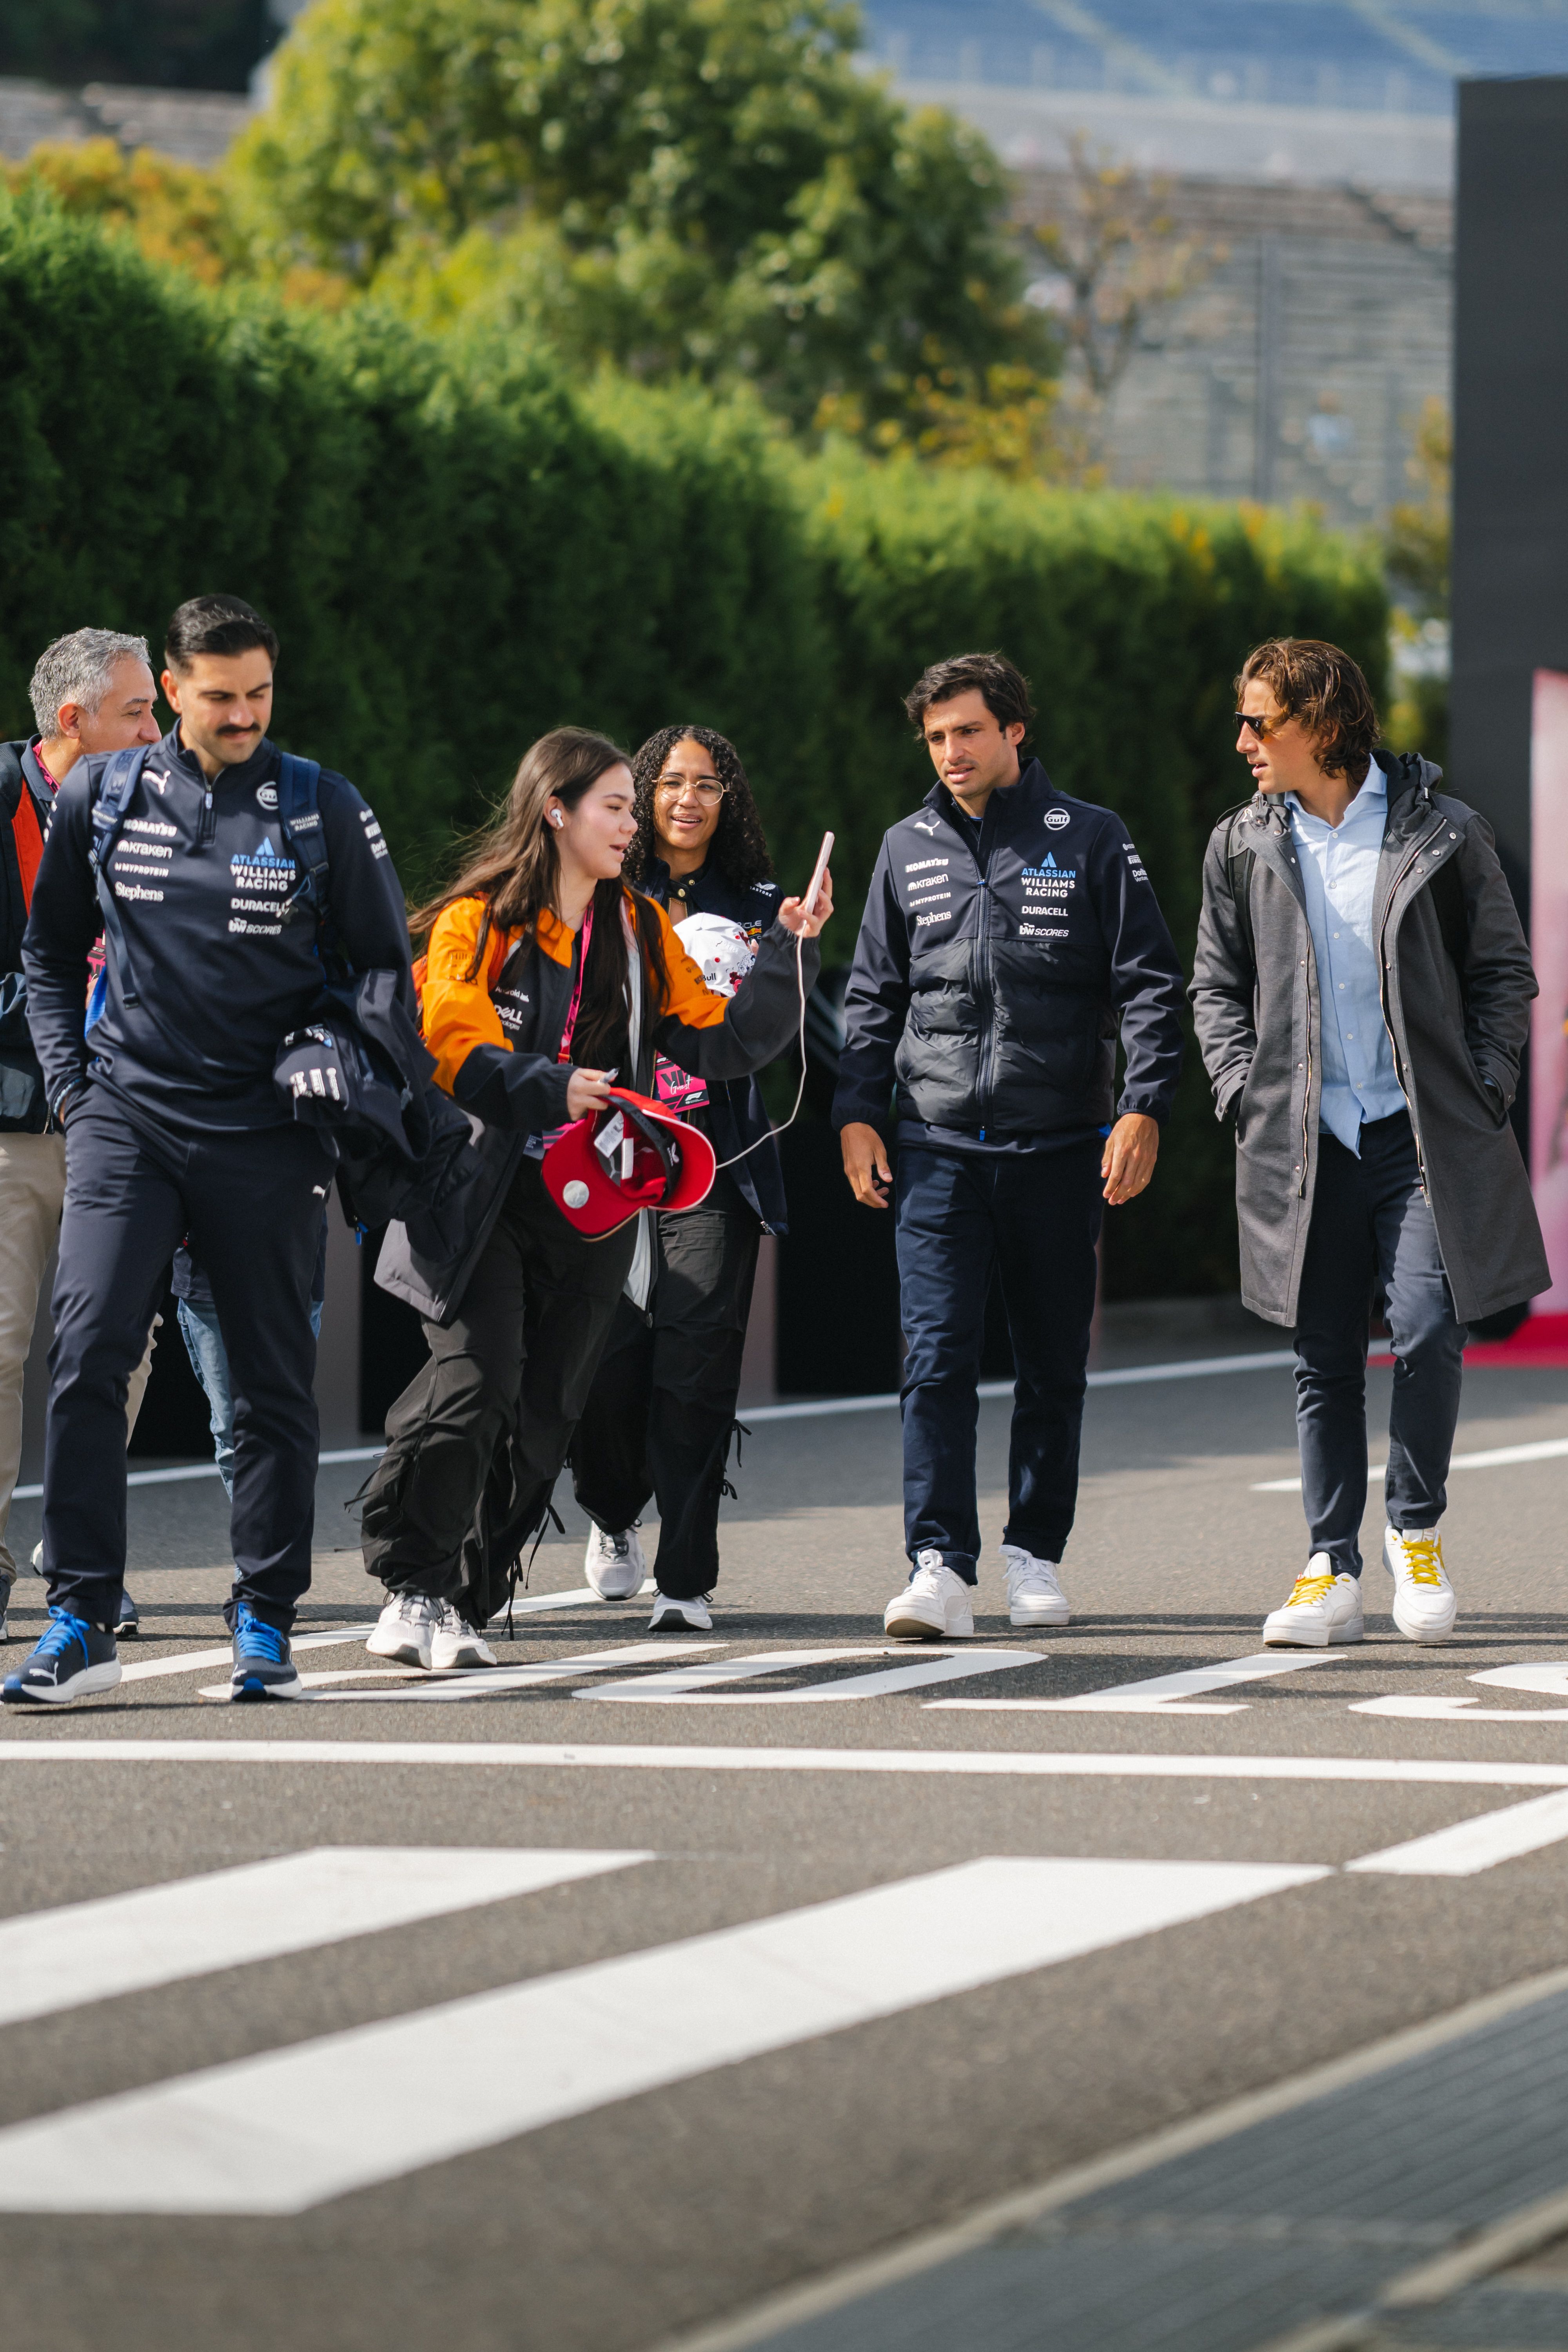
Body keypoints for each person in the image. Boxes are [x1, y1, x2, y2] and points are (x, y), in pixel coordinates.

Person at [4, 595, 413, 1707]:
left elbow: (384, 971)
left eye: (260, 694)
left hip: (267, 1133)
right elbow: (49, 957)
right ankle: (82, 1616)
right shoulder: (102, 789)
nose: (244, 714)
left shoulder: (321, 805)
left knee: (273, 1384)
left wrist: (334, 1045)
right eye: (220, 695)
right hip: (127, 1120)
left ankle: (264, 1621)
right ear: (173, 691)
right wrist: (80, 1097)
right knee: (85, 1355)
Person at [360, 726, 829, 1664]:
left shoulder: (638, 928)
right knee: (477, 1379)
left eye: (630, 806)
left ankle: (466, 1599)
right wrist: (547, 1083)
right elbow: (452, 1043)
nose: (633, 823)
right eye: (617, 805)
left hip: (589, 1202)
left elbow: (723, 1043)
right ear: (555, 810)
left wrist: (788, 952)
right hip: (478, 1190)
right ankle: (412, 1583)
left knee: (544, 1418)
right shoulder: (478, 918)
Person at [1191, 637, 1548, 1649]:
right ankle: (1329, 1567)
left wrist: (1480, 1089)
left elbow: (1502, 974)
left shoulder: (1443, 831)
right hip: (1307, 1140)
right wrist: (1242, 1095)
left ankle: (1415, 1531)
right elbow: (1214, 985)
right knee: (1323, 1354)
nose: (1243, 741)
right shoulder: (1242, 844)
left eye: (1261, 721)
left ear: (1324, 725)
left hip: (1417, 1134)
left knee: (1430, 1328)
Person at [832, 650, 1186, 1640]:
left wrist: (1143, 1105)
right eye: (936, 737)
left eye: (969, 732)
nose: (951, 752)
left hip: (1059, 1146)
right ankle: (938, 1564)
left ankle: (1035, 1555)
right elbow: (870, 998)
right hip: (934, 1147)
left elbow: (1151, 986)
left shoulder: (1092, 838)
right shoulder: (904, 847)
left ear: (1014, 731)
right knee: (935, 1360)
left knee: (1049, 1366)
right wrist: (856, 1115)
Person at [568, 724, 796, 1632]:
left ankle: (686, 1576)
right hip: (614, 1154)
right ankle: (612, 1511)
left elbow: (777, 1029)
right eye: (668, 783)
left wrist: (792, 948)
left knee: (696, 1364)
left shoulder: (768, 902)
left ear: (728, 796)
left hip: (717, 1160)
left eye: (707, 783)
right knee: (608, 1356)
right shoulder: (602, 888)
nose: (687, 799)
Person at [0, 630, 162, 1650]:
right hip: (10, 1131)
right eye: (139, 712)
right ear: (74, 723)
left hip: (129, 1129)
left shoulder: (163, 809)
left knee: (116, 1353)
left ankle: (81, 1558)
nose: (158, 728)